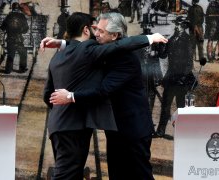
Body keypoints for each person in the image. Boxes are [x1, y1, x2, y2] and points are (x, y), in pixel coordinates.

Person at [45, 12, 167, 180]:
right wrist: (63, 43)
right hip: (116, 130)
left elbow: (103, 90)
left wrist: (71, 96)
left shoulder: (125, 59)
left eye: (101, 31)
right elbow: (85, 46)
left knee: (140, 176)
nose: (96, 34)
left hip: (133, 130)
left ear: (115, 35)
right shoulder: (103, 48)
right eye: (96, 29)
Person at [155, 16, 194, 137]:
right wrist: (162, 44)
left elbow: (189, 61)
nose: (176, 26)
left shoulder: (187, 40)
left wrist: (184, 76)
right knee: (165, 105)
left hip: (182, 79)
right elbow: (162, 55)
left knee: (181, 107)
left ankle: (182, 133)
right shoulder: (171, 38)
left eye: (178, 24)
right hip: (171, 78)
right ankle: (160, 131)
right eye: (176, 24)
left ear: (183, 27)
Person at [0, 2, 29, 74]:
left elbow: (2, 27)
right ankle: (22, 69)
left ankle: (8, 70)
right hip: (19, 39)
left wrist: (8, 29)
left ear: (12, 8)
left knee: (10, 54)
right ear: (19, 8)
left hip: (10, 39)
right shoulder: (22, 16)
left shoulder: (8, 16)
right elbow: (26, 29)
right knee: (23, 53)